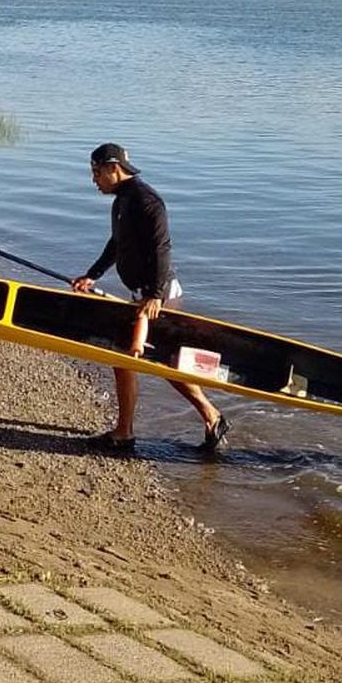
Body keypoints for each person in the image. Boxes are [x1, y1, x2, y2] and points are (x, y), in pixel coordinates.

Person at [72, 143, 229, 454]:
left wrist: (155, 295)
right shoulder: (122, 201)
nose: (93, 179)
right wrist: (92, 275)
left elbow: (161, 248)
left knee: (147, 361)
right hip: (144, 295)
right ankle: (135, 430)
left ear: (113, 168)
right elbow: (116, 244)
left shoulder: (146, 201)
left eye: (96, 172)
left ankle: (132, 432)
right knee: (140, 361)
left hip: (159, 296)